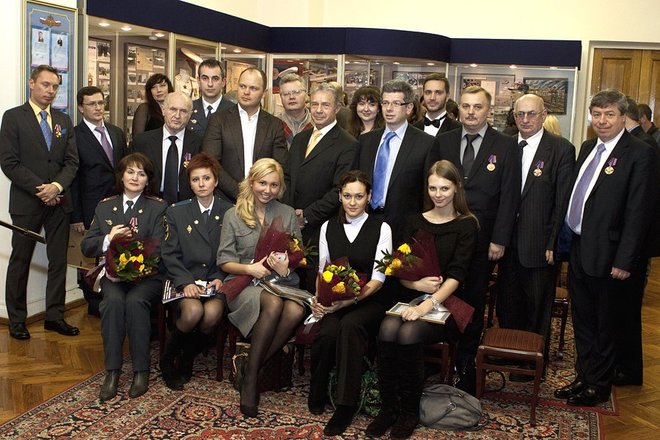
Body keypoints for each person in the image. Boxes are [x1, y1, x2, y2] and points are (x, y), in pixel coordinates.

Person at [554, 89, 658, 406]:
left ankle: (598, 386)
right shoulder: (588, 147)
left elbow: (639, 212)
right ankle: (583, 376)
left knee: (605, 324)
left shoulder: (640, 153)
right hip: (580, 247)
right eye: (597, 114)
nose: (602, 120)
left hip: (611, 255)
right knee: (583, 320)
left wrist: (625, 260)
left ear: (623, 117)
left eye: (609, 114)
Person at [366, 160, 478, 439]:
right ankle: (388, 408)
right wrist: (416, 285)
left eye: (444, 188)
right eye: (433, 188)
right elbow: (398, 269)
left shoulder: (467, 225)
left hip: (448, 305)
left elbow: (457, 276)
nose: (438, 194)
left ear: (456, 188)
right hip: (410, 297)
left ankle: (409, 411)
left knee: (408, 334)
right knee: (387, 329)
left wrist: (428, 304)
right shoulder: (413, 221)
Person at [426, 85, 520, 394]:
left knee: (472, 303)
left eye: (477, 107)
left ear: (488, 110)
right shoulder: (444, 141)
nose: (471, 112)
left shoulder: (505, 145)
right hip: (445, 237)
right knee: (441, 296)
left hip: (483, 241)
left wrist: (500, 239)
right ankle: (435, 360)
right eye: (466, 106)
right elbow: (430, 188)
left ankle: (465, 367)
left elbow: (509, 196)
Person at [217, 158, 305, 417]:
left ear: (280, 188)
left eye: (274, 185)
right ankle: (252, 382)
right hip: (244, 284)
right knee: (274, 304)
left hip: (281, 282)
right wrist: (250, 269)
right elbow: (224, 261)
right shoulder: (233, 214)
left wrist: (287, 267)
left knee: (295, 311)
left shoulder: (287, 213)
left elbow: (298, 254)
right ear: (251, 182)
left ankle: (251, 369)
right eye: (262, 183)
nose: (267, 190)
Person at [495, 94, 575, 379]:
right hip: (506, 242)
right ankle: (510, 352)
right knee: (507, 302)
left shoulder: (561, 149)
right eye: (520, 114)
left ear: (543, 115)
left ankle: (533, 363)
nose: (525, 119)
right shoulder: (505, 144)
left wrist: (554, 242)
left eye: (531, 114)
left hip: (541, 244)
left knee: (537, 307)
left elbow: (562, 202)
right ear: (513, 116)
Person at [308, 170, 393, 436]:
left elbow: (379, 279)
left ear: (369, 197)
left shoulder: (382, 228)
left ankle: (345, 404)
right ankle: (317, 388)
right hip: (336, 299)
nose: (353, 202)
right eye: (347, 196)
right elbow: (322, 271)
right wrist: (320, 300)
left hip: (370, 300)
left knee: (350, 326)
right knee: (327, 330)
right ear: (339, 196)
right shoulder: (327, 227)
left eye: (359, 196)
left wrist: (349, 302)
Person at [0, 64, 79, 340]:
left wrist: (56, 186)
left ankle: (54, 316)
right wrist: (41, 189)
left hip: (59, 203)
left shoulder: (63, 120)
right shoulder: (13, 117)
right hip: (27, 203)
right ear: (31, 83)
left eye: (55, 86)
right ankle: (17, 320)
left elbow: (72, 162)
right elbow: (9, 162)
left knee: (58, 261)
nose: (51, 91)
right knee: (20, 261)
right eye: (46, 84)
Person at [80, 153, 168, 401]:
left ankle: (141, 371)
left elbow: (160, 249)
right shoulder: (105, 206)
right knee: (112, 303)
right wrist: (109, 238)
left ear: (148, 180)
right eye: (130, 172)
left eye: (141, 173)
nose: (135, 177)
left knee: (135, 302)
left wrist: (134, 266)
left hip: (148, 277)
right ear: (121, 175)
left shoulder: (158, 207)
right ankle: (112, 371)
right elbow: (87, 246)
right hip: (113, 277)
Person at [160, 153, 233, 390]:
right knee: (192, 311)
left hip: (214, 280)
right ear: (189, 184)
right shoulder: (176, 212)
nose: (201, 184)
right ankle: (169, 360)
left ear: (216, 181)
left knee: (211, 314)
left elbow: (233, 253)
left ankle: (188, 354)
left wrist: (220, 278)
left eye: (206, 178)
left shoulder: (230, 212)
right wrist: (185, 282)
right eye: (195, 179)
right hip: (182, 277)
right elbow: (169, 254)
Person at [283, 82, 359, 290]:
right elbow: (287, 177)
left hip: (321, 227)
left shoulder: (347, 144)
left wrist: (306, 216)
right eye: (314, 104)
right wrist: (290, 212)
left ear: (337, 108)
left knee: (313, 286)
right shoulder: (301, 138)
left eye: (325, 105)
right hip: (292, 226)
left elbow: (340, 191)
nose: (318, 110)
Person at [356, 80, 437, 245]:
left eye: (396, 103)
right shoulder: (366, 141)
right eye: (385, 103)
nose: (388, 108)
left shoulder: (425, 143)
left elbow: (427, 192)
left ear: (409, 108)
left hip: (404, 227)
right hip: (365, 222)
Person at [70, 86, 128, 316]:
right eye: (91, 104)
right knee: (91, 255)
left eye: (100, 103)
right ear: (81, 107)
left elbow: (124, 169)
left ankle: (114, 294)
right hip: (90, 206)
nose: (97, 108)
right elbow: (73, 179)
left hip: (117, 203)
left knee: (115, 248)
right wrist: (76, 216)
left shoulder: (116, 133)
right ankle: (93, 300)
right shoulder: (74, 136)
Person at [202, 67, 288, 202]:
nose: (246, 92)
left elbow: (279, 166)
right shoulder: (219, 120)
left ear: (264, 93)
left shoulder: (274, 125)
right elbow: (211, 162)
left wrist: (260, 191)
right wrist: (242, 193)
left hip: (264, 200)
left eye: (253, 88)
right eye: (242, 86)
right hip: (226, 200)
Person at [132, 91, 201, 204]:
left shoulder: (199, 143)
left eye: (183, 111)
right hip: (149, 203)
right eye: (173, 109)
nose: (177, 116)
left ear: (190, 115)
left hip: (186, 205)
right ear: (163, 110)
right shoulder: (142, 142)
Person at [187, 59, 233, 135]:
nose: (210, 84)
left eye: (215, 79)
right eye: (205, 78)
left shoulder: (233, 111)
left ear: (223, 82)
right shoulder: (188, 109)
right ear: (198, 81)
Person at [277, 73, 313, 149]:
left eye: (296, 92)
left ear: (306, 94)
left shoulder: (317, 124)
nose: (291, 97)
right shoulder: (273, 125)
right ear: (280, 97)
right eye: (286, 94)